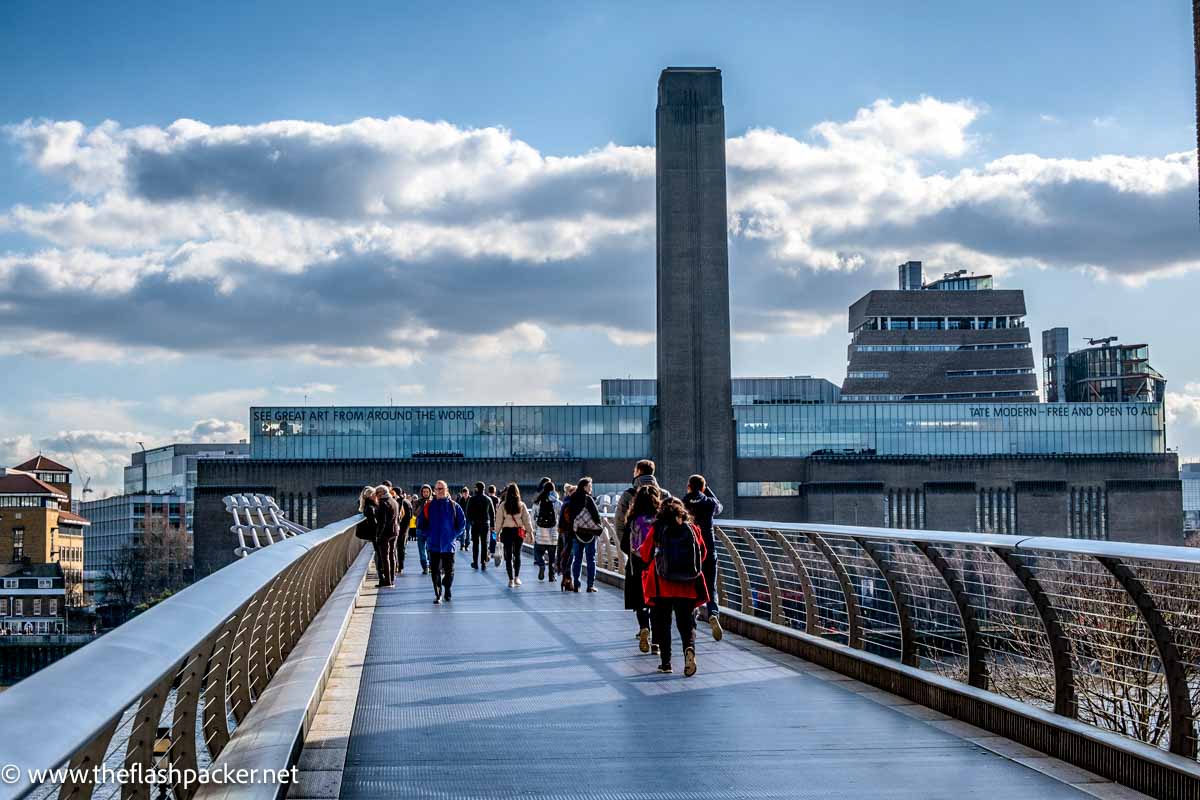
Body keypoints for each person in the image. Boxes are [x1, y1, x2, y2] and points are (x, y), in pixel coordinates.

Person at [639, 497, 708, 676]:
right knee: (686, 623)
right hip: (687, 584)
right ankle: (689, 649)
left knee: (663, 624)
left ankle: (666, 663)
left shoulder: (657, 528)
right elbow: (703, 553)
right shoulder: (693, 529)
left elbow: (645, 554)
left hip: (662, 584)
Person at [682, 473, 724, 640]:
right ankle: (713, 613)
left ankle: (692, 620)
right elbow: (720, 507)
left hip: (691, 552)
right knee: (711, 587)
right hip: (709, 549)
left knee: (691, 585)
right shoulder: (709, 502)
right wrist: (707, 491)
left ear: (689, 487)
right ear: (704, 488)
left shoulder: (683, 502)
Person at [623, 484, 661, 654]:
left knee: (640, 601)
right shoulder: (659, 519)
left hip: (636, 565)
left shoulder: (632, 519)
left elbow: (625, 544)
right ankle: (657, 643)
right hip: (656, 565)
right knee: (657, 602)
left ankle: (644, 627)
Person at [416, 480, 466, 603]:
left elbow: (462, 524)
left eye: (442, 488)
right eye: (437, 489)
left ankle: (447, 588)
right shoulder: (429, 506)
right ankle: (438, 594)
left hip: (449, 545)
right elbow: (420, 524)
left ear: (446, 490)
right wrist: (428, 535)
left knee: (449, 571)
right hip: (433, 545)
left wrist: (453, 535)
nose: (439, 491)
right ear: (434, 491)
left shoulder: (454, 506)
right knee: (435, 571)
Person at [614, 459, 671, 545]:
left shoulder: (628, 494)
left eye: (634, 471)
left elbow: (619, 522)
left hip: (636, 547)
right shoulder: (665, 494)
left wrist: (625, 546)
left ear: (639, 471)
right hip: (660, 548)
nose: (633, 473)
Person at [565, 477, 603, 593]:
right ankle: (590, 585)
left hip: (577, 533)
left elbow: (570, 517)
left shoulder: (572, 499)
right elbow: (596, 516)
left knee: (577, 559)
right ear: (585, 487)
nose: (591, 489)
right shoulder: (588, 499)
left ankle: (576, 585)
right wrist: (597, 526)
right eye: (590, 486)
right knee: (591, 559)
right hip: (589, 534)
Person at [495, 482, 535, 587]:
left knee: (508, 556)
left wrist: (497, 533)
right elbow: (527, 520)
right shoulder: (521, 505)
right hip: (518, 532)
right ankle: (517, 577)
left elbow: (499, 520)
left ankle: (510, 580)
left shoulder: (503, 505)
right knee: (517, 555)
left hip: (507, 532)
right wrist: (530, 533)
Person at [531, 478, 560, 582]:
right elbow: (561, 518)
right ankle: (551, 576)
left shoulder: (538, 502)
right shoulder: (557, 503)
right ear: (554, 490)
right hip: (553, 534)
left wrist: (534, 529)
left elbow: (532, 517)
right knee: (552, 557)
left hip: (540, 533)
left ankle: (542, 564)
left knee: (538, 552)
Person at [374, 485, 401, 587]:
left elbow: (382, 522)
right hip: (394, 531)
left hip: (385, 533)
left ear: (381, 493)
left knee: (385, 557)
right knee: (392, 554)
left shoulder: (383, 503)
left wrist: (378, 535)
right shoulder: (394, 501)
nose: (376, 496)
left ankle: (388, 580)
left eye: (377, 493)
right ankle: (392, 578)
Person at [384, 481, 414, 575]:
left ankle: (395, 566)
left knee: (393, 548)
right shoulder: (407, 502)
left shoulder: (393, 502)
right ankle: (400, 566)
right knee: (401, 547)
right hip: (404, 528)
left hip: (395, 527)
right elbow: (410, 516)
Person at [467, 481, 496, 571]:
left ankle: (475, 562)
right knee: (484, 544)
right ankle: (483, 563)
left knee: (475, 544)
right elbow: (492, 513)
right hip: (485, 524)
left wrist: (472, 521)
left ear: (476, 488)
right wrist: (492, 525)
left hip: (475, 524)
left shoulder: (472, 499)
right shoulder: (488, 499)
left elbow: (468, 512)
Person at [357, 487, 382, 583]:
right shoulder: (371, 508)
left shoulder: (367, 506)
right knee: (379, 553)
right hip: (376, 534)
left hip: (373, 534)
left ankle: (380, 572)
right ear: (371, 496)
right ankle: (380, 574)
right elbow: (374, 523)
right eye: (375, 494)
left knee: (378, 553)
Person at [556, 482, 576, 590]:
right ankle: (568, 579)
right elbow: (570, 520)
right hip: (570, 533)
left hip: (563, 532)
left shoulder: (565, 503)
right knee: (570, 556)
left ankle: (565, 578)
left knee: (565, 555)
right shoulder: (570, 504)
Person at [411, 484, 432, 575]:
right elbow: (415, 514)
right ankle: (424, 567)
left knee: (430, 548)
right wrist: (423, 505)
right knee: (421, 549)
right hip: (420, 528)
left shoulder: (433, 501)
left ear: (430, 492)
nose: (425, 493)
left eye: (427, 492)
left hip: (430, 529)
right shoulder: (417, 502)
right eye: (424, 492)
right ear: (421, 492)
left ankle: (431, 565)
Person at [486, 484, 501, 557]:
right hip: (494, 520)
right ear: (494, 491)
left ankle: (487, 549)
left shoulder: (486, 498)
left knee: (486, 536)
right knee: (493, 535)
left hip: (486, 519)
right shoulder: (497, 499)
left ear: (488, 491)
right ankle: (492, 549)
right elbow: (498, 510)